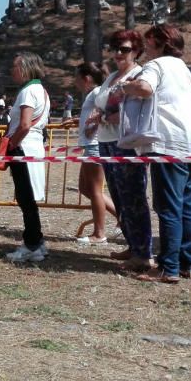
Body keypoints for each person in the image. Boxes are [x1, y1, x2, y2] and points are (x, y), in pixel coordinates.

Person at [119, 24, 191, 283]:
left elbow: (145, 88)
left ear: (158, 42)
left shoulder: (156, 66)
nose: (145, 49)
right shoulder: (183, 68)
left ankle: (167, 267)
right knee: (188, 206)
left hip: (170, 143)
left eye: (148, 44)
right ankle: (188, 263)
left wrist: (125, 88)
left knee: (168, 207)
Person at [93, 29, 152, 270]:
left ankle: (143, 252)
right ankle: (132, 244)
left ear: (136, 51)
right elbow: (103, 105)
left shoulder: (139, 75)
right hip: (106, 140)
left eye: (124, 49)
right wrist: (101, 114)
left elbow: (132, 112)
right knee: (118, 196)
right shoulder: (112, 77)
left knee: (133, 197)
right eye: (115, 49)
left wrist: (105, 116)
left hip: (126, 143)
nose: (118, 53)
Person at [4, 53, 52, 263]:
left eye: (15, 67)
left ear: (24, 69)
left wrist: (11, 144)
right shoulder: (40, 90)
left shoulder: (28, 92)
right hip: (32, 146)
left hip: (23, 147)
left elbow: (24, 124)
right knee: (28, 198)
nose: (12, 71)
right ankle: (37, 241)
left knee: (26, 198)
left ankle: (32, 243)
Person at [67, 62, 116, 245]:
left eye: (77, 77)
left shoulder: (96, 93)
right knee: (85, 188)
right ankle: (123, 219)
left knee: (94, 190)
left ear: (86, 79)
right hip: (91, 146)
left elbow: (100, 114)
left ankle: (99, 233)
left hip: (94, 145)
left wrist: (91, 127)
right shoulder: (94, 93)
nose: (75, 81)